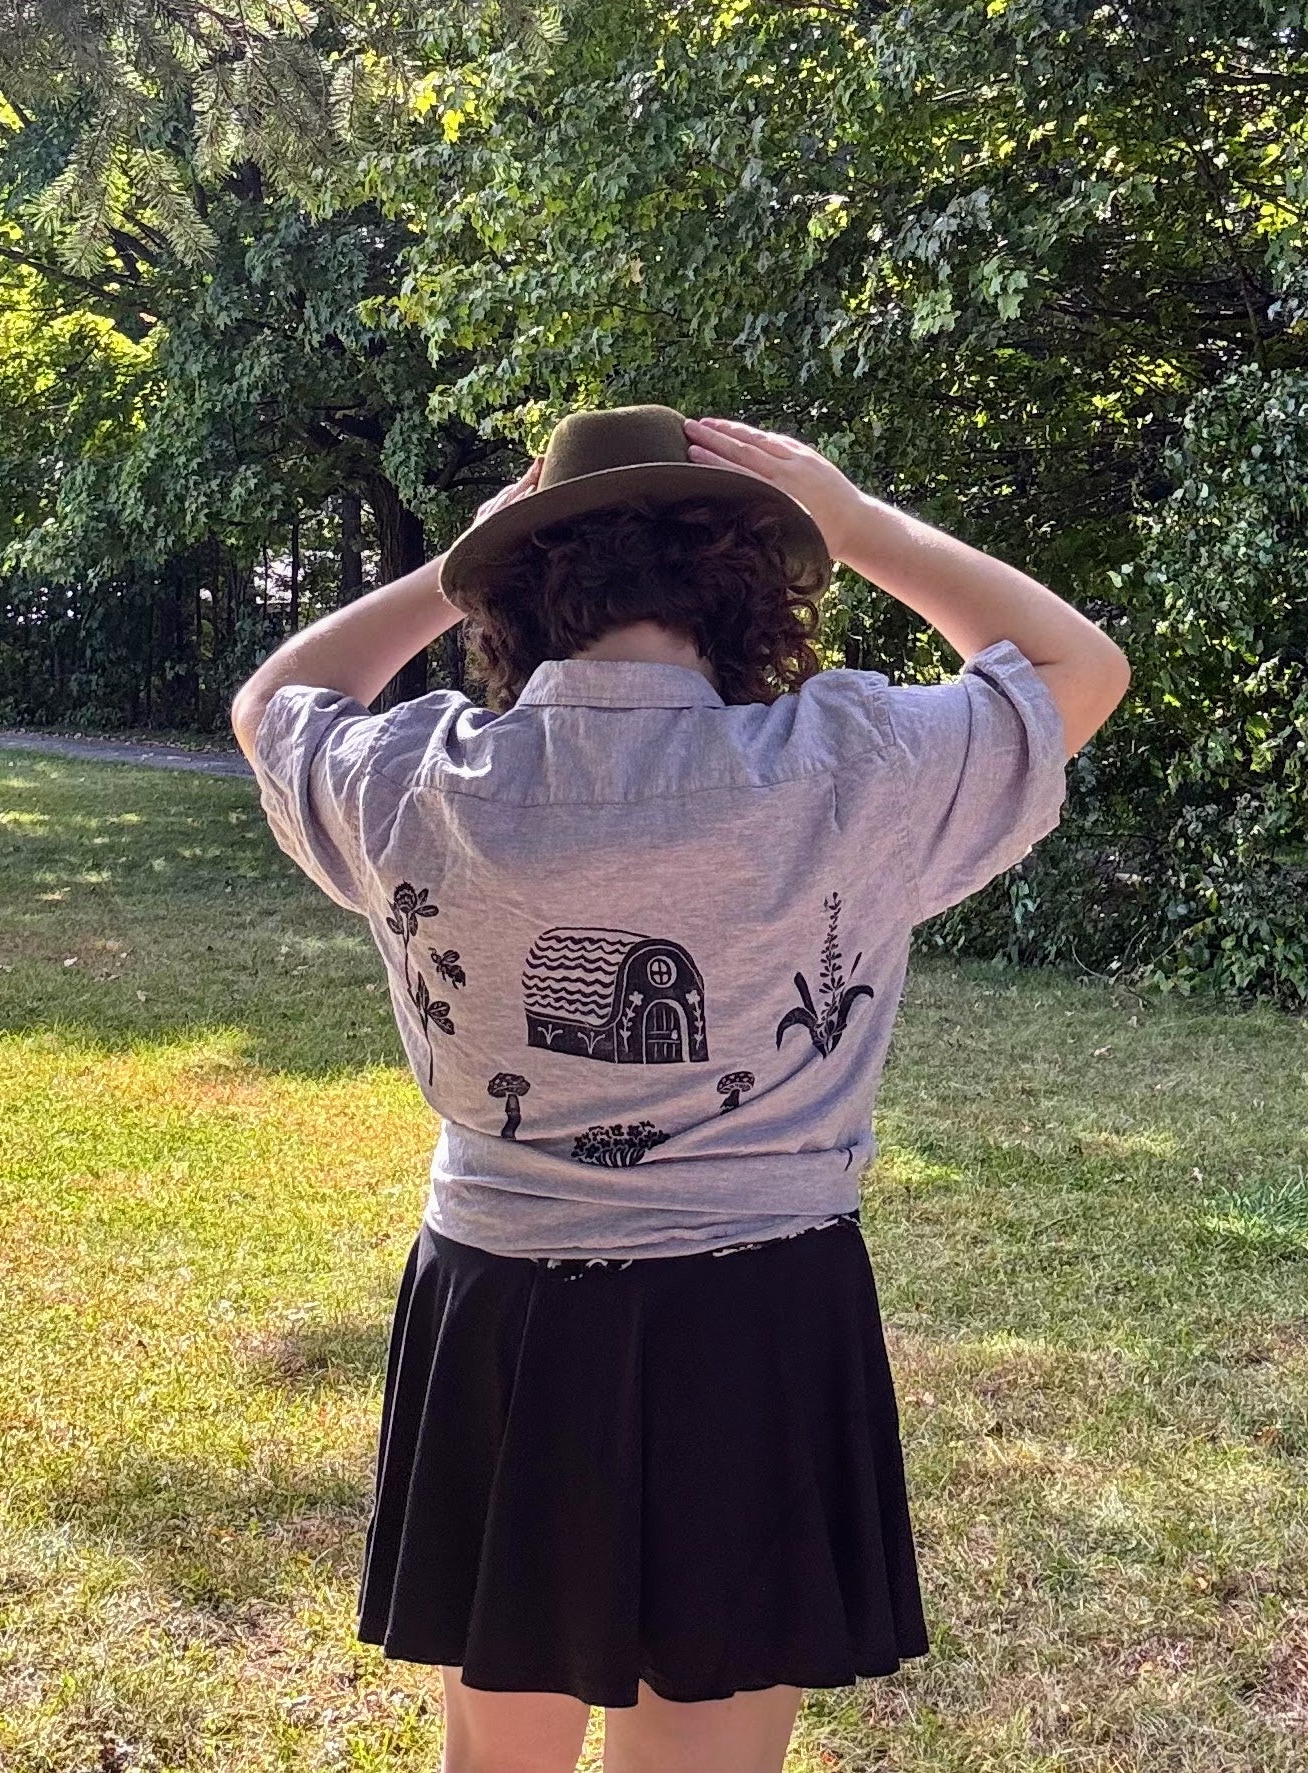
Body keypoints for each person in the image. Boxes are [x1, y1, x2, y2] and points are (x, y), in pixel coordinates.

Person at [231, 405, 1131, 1773]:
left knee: (499, 1754)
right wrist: (865, 525)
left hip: (497, 1307)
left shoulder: (418, 776)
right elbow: (1077, 663)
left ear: (514, 596)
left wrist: (449, 563)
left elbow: (270, 701)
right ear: (752, 585)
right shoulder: (849, 760)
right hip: (755, 1313)